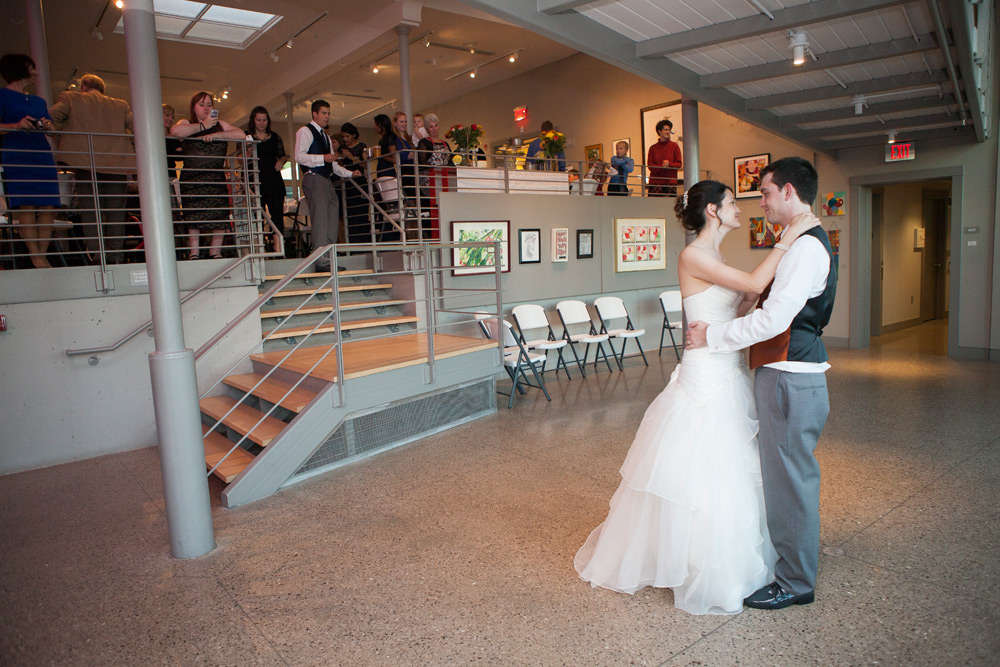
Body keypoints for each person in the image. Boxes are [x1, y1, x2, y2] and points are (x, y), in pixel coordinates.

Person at [574, 179, 812, 615]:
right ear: (713, 211)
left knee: (728, 463)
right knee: (705, 463)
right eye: (732, 203)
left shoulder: (717, 257)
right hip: (705, 373)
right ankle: (698, 563)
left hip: (725, 364)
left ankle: (718, 556)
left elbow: (740, 302)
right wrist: (788, 238)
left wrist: (739, 308)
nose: (739, 208)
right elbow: (756, 281)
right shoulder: (693, 255)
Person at [686, 157, 836, 611]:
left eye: (766, 193)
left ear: (788, 191)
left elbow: (772, 321)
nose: (761, 203)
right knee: (785, 476)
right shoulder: (800, 243)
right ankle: (792, 563)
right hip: (786, 372)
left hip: (790, 374)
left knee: (789, 481)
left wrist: (712, 336)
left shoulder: (804, 248)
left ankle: (795, 581)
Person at [49, 73, 134, 264]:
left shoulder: (70, 98)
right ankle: (117, 256)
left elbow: (51, 117)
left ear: (84, 86)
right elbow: (136, 126)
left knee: (91, 212)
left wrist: (63, 137)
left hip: (85, 163)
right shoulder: (120, 105)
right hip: (116, 165)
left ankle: (97, 256)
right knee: (116, 213)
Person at [0, 53, 60, 268]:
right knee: (25, 204)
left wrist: (48, 125)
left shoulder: (38, 101)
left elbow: (53, 130)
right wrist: (16, 126)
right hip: (17, 154)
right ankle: (36, 256)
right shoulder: (2, 96)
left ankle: (41, 256)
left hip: (41, 153)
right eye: (31, 67)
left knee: (49, 205)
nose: (35, 72)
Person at [170, 91, 245, 260]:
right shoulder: (187, 123)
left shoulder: (220, 124)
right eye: (202, 104)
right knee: (194, 216)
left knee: (219, 214)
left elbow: (240, 134)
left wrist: (216, 135)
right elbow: (175, 132)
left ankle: (215, 251)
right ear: (194, 107)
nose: (206, 108)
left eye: (209, 105)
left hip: (216, 178)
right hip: (193, 179)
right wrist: (202, 126)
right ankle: (194, 253)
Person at [294, 99, 359, 271]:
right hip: (314, 177)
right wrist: (322, 158)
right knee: (321, 219)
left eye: (328, 113)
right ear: (314, 114)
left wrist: (350, 173)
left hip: (326, 179)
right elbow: (299, 156)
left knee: (331, 217)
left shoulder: (325, 136)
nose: (327, 116)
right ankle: (321, 260)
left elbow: (332, 164)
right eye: (324, 113)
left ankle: (328, 257)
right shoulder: (305, 131)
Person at [245, 106, 287, 253]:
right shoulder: (246, 136)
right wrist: (247, 152)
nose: (262, 123)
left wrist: (281, 161)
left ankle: (278, 249)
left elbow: (283, 155)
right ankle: (258, 249)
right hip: (255, 181)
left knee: (277, 215)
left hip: (274, 180)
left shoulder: (275, 136)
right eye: (259, 120)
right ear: (253, 120)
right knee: (256, 217)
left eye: (264, 120)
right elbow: (239, 159)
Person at [337, 122, 368, 244]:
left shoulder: (361, 147)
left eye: (347, 136)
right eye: (343, 136)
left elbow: (366, 164)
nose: (345, 139)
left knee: (360, 214)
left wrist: (351, 157)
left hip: (359, 182)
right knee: (348, 215)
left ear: (354, 135)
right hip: (346, 184)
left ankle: (363, 241)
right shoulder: (342, 148)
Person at [647, 119, 682, 196]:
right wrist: (661, 166)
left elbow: (679, 164)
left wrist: (669, 164)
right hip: (655, 183)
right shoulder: (653, 148)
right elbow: (650, 165)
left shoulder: (674, 146)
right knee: (653, 203)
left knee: (670, 203)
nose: (668, 132)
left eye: (669, 130)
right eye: (665, 129)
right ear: (659, 131)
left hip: (670, 182)